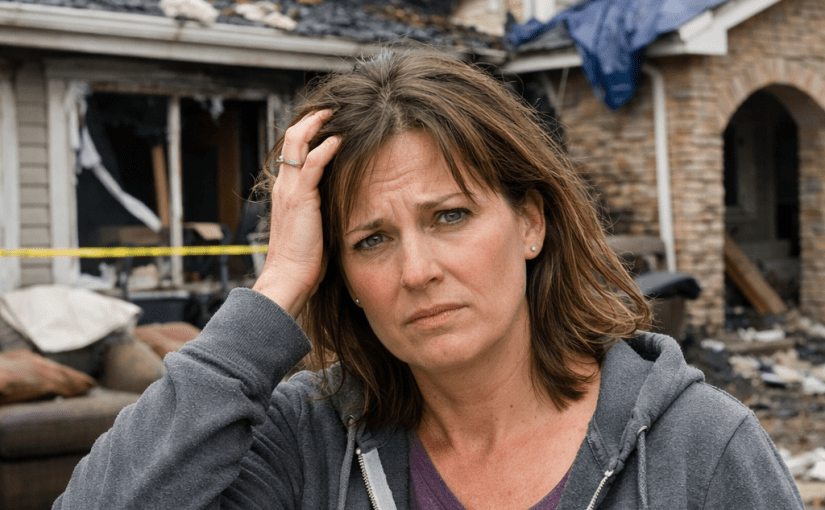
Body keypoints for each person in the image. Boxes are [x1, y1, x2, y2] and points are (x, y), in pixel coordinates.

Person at [54, 48, 803, 510]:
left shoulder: (697, 450)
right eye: (371, 239)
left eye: (448, 216)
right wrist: (275, 285)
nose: (417, 271)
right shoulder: (304, 445)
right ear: (337, 273)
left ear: (530, 223)